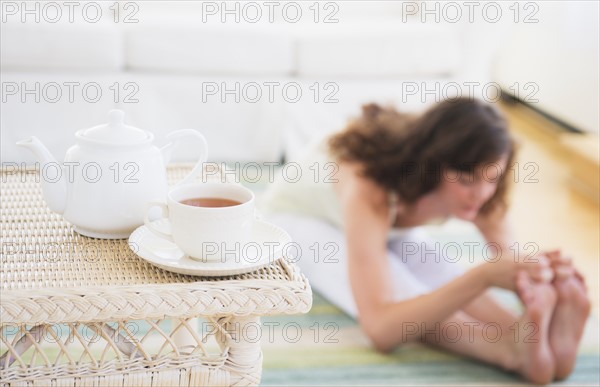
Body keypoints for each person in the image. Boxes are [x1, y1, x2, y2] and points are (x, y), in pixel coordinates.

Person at [260, 98, 590, 384]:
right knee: (409, 293)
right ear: (431, 167)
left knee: (441, 272)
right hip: (298, 223)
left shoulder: (480, 181)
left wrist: (544, 279)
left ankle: (532, 340)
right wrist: (483, 275)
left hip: (386, 229)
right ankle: (507, 353)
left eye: (492, 179)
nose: (481, 193)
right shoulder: (368, 184)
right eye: (465, 180)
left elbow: (512, 262)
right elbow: (381, 328)